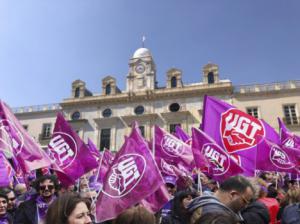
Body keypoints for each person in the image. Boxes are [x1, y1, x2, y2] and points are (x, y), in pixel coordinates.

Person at [188, 175, 255, 224]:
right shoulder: (218, 216)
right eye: (244, 201)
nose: (246, 206)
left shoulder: (206, 205)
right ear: (233, 194)